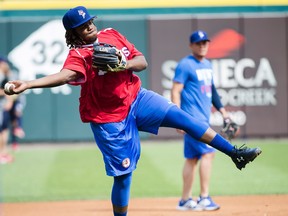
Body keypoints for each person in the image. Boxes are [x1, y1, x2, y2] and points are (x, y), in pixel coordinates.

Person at [4, 6, 261, 216]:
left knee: (184, 117)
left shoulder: (112, 34)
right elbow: (64, 75)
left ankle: (235, 154)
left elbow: (142, 62)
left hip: (137, 98)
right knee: (124, 176)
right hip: (108, 119)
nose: (89, 25)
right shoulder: (79, 55)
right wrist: (27, 84)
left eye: (90, 21)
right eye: (83, 25)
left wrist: (122, 64)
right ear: (74, 32)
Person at [172, 30, 235, 211]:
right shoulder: (185, 65)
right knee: (208, 153)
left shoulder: (207, 64)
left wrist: (223, 112)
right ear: (191, 45)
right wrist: (177, 118)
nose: (202, 46)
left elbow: (212, 91)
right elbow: (176, 90)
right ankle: (204, 198)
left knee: (192, 158)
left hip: (202, 118)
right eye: (199, 43)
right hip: (193, 119)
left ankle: (185, 200)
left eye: (205, 42)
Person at [0, 56, 15, 164]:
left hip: (2, 106)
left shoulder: (4, 76)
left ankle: (3, 153)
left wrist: (9, 100)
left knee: (4, 129)